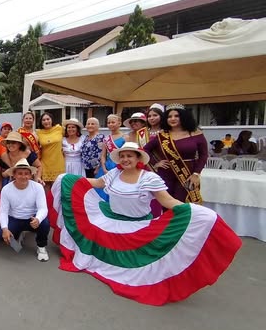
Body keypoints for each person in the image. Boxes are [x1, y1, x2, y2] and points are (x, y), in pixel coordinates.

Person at [50, 141, 241, 305]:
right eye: (122, 156)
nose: (125, 159)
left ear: (138, 158)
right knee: (92, 230)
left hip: (138, 225)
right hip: (112, 220)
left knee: (140, 260)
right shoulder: (114, 174)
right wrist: (69, 178)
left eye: (129, 156)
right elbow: (98, 183)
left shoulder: (149, 178)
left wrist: (192, 210)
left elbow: (167, 201)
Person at [144, 104, 208, 204]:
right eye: (169, 116)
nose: (173, 119)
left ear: (183, 116)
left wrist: (196, 174)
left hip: (187, 174)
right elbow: (145, 149)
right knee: (166, 203)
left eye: (176, 116)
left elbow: (203, 155)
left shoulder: (195, 133)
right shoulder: (162, 135)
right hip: (165, 174)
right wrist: (155, 163)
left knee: (183, 204)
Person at [0, 158, 50, 262]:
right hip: (15, 218)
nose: (23, 176)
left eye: (26, 174)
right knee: (0, 235)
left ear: (31, 175)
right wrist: (4, 229)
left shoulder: (38, 187)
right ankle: (17, 237)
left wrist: (38, 219)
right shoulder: (6, 189)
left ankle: (41, 247)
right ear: (14, 175)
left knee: (45, 224)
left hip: (32, 218)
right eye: (20, 173)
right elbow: (3, 211)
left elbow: (43, 208)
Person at [95, 114, 125, 200]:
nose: (110, 124)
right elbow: (103, 155)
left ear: (119, 123)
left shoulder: (125, 137)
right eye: (108, 123)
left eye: (113, 122)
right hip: (107, 166)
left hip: (119, 166)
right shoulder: (106, 139)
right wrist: (104, 168)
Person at [37, 112, 65, 186]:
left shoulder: (59, 129)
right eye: (43, 120)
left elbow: (69, 136)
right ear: (41, 122)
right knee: (45, 188)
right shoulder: (38, 133)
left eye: (48, 119)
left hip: (58, 163)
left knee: (57, 188)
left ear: (52, 120)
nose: (46, 121)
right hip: (45, 163)